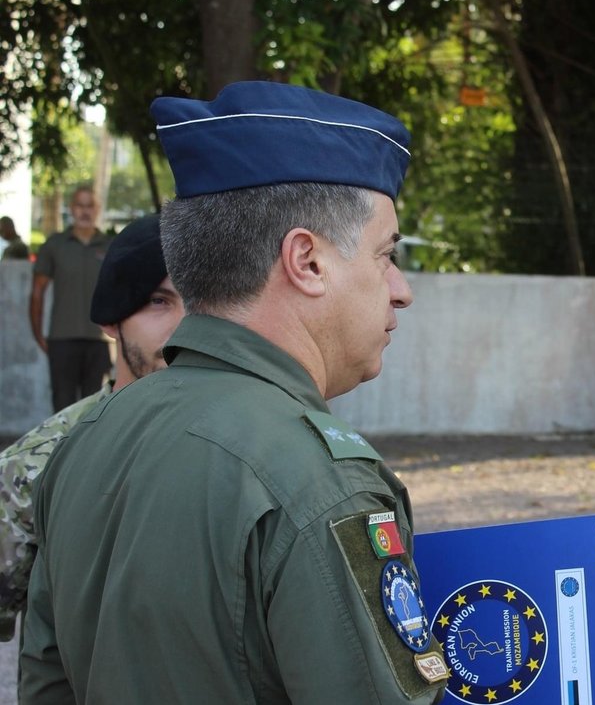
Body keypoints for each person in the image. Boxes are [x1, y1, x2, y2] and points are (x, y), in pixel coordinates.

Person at [20, 82, 448, 704]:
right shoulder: (316, 481)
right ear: (307, 261)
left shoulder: (87, 439)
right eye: (386, 255)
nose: (401, 287)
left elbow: (45, 687)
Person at [0, 214, 181, 643]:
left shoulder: (251, 443)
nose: (185, 327)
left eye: (202, 303)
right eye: (159, 301)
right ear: (110, 321)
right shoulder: (38, 463)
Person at [28, 186, 113, 410]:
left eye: (90, 206)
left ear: (97, 209)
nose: (85, 211)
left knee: (97, 408)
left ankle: (92, 448)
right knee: (62, 406)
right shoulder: (54, 245)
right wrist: (38, 334)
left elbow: (121, 292)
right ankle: (63, 448)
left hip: (100, 340)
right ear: (71, 208)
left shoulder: (111, 246)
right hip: (62, 339)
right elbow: (37, 291)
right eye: (79, 205)